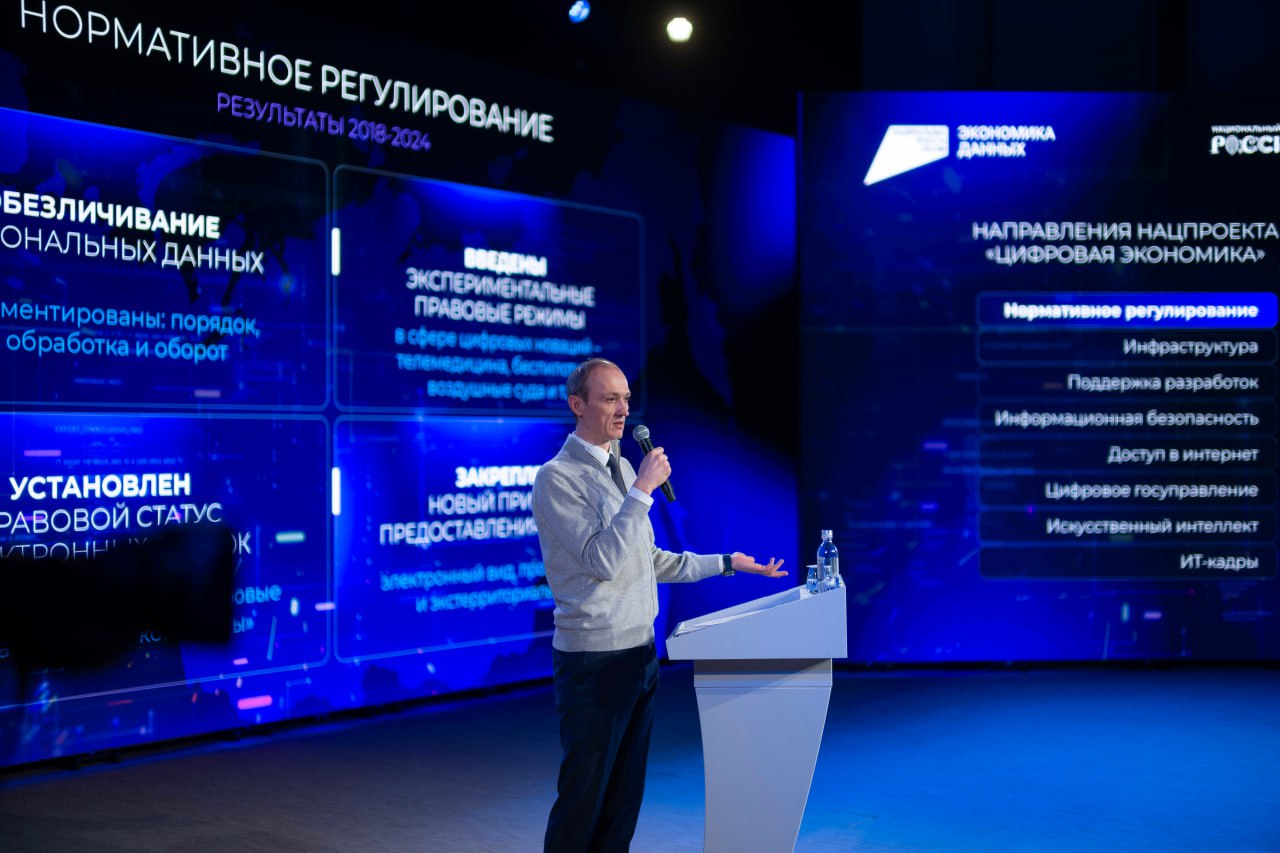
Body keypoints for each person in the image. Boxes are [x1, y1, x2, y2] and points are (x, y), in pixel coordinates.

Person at [532, 357, 787, 852]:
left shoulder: (624, 467)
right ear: (577, 405)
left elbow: (647, 560)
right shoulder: (557, 478)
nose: (623, 410)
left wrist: (727, 563)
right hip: (594, 660)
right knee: (584, 797)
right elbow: (603, 561)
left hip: (640, 654)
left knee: (623, 798)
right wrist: (642, 491)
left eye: (626, 398)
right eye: (610, 399)